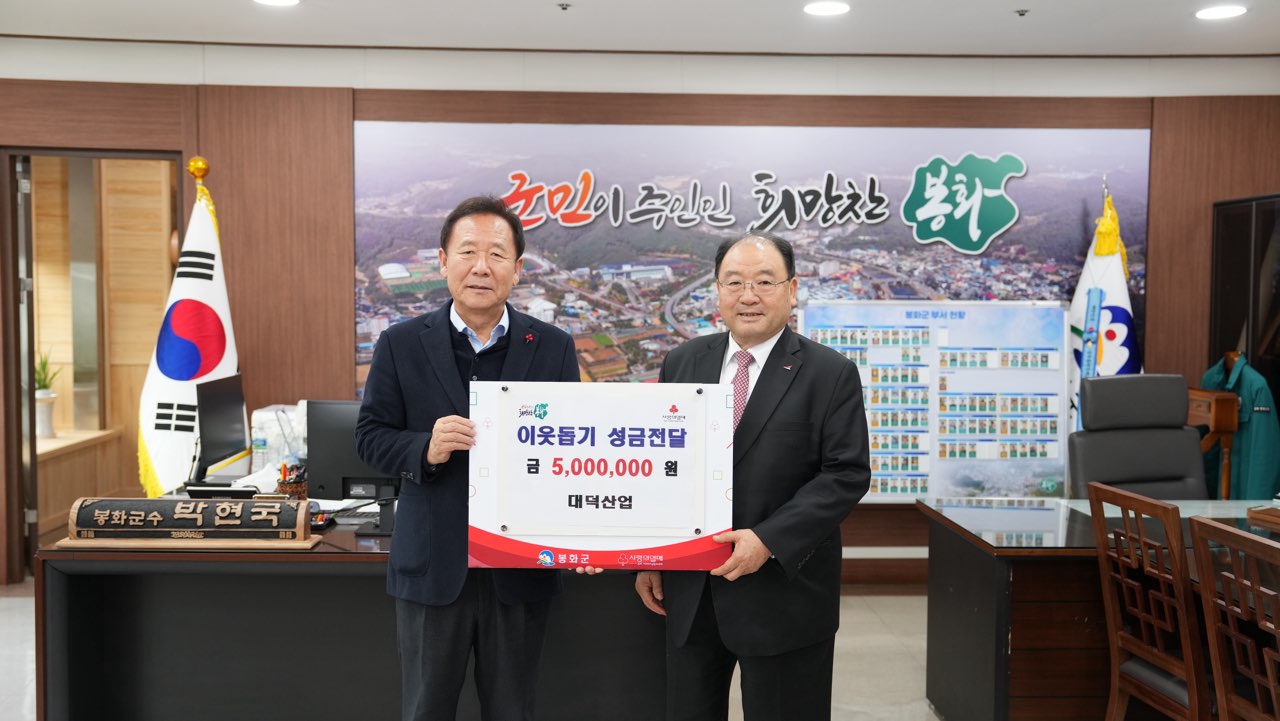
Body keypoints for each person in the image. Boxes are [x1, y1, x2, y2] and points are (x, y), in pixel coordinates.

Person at [355, 195, 580, 721]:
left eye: (497, 254)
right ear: (443, 261)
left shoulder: (553, 346)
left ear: (517, 269)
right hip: (432, 567)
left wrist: (584, 533)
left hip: (519, 569)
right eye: (468, 251)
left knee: (512, 710)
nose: (482, 266)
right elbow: (370, 437)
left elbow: (573, 451)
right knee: (426, 709)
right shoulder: (401, 343)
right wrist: (424, 447)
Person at [634, 233, 870, 721]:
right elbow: (662, 465)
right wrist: (650, 555)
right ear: (717, 291)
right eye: (734, 282)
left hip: (784, 593)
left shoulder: (830, 373)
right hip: (691, 592)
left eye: (764, 282)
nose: (748, 296)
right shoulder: (683, 362)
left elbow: (845, 474)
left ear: (792, 289)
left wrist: (768, 539)